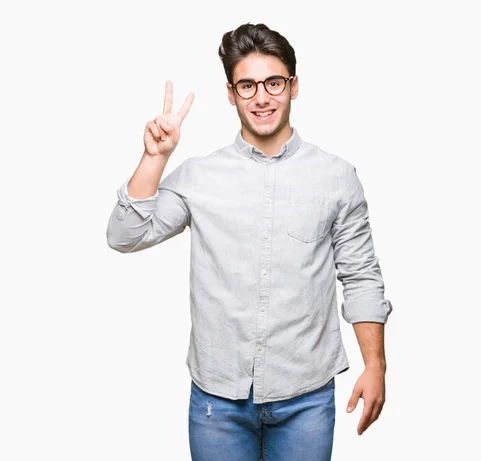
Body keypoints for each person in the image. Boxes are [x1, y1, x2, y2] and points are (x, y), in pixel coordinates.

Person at [106, 22, 393, 461]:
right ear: (231, 93)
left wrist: (376, 365)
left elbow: (361, 276)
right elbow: (124, 236)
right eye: (247, 85)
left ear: (293, 86)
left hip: (307, 398)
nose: (261, 97)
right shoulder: (199, 177)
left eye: (273, 82)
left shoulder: (337, 178)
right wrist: (155, 158)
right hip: (217, 402)